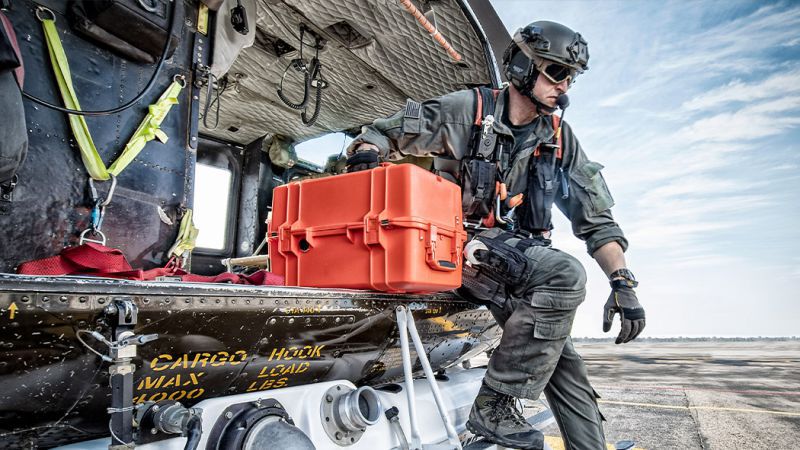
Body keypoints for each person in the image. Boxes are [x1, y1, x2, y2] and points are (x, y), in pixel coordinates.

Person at [345, 21, 645, 450]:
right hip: (456, 250)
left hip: (515, 265)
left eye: (571, 77)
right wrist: (366, 157)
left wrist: (623, 283)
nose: (565, 87)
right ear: (522, 66)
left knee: (563, 364)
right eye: (557, 72)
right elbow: (378, 134)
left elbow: (596, 219)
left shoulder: (558, 139)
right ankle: (494, 407)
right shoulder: (467, 110)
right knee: (564, 273)